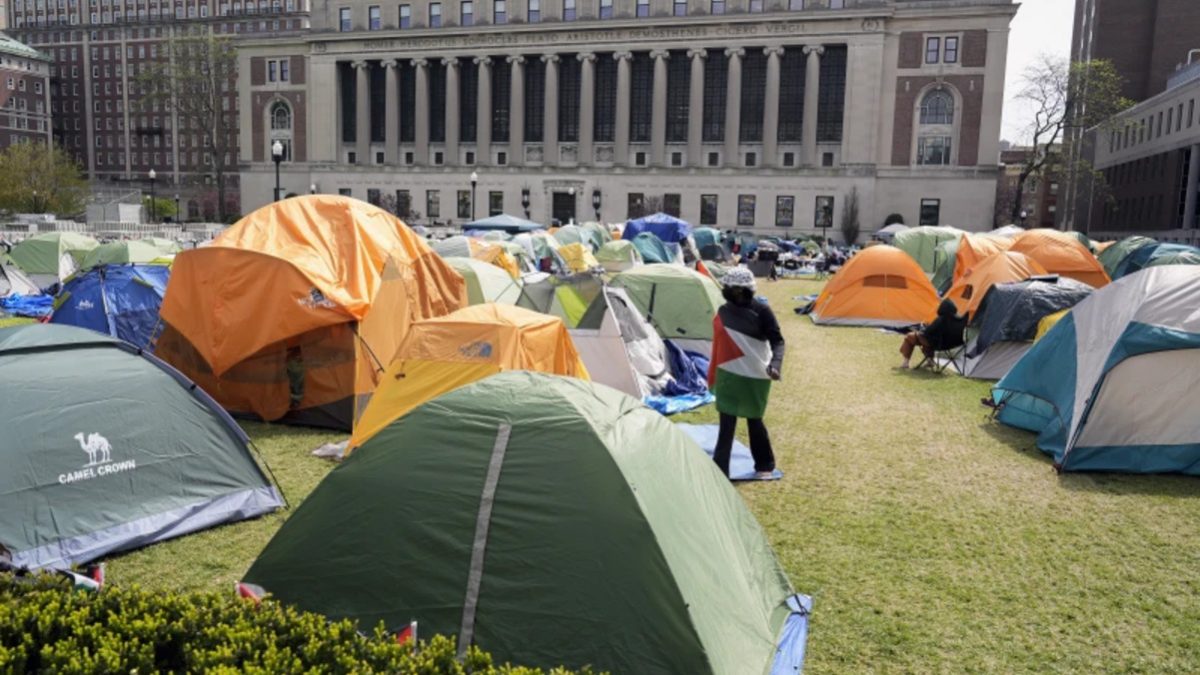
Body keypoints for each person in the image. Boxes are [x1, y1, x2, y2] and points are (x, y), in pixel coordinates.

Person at [707, 267, 785, 479]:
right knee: (726, 422)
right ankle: (720, 470)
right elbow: (720, 342)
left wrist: (776, 364)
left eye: (741, 291)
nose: (737, 295)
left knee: (755, 419)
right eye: (733, 291)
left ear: (749, 290)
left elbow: (777, 341)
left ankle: (765, 465)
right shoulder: (723, 311)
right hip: (729, 373)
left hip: (755, 372)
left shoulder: (762, 311)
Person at [899, 299, 966, 369]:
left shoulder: (942, 319)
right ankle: (930, 360)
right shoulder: (958, 319)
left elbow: (928, 332)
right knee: (925, 339)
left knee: (910, 336)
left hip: (937, 344)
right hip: (951, 344)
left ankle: (906, 362)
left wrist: (922, 329)